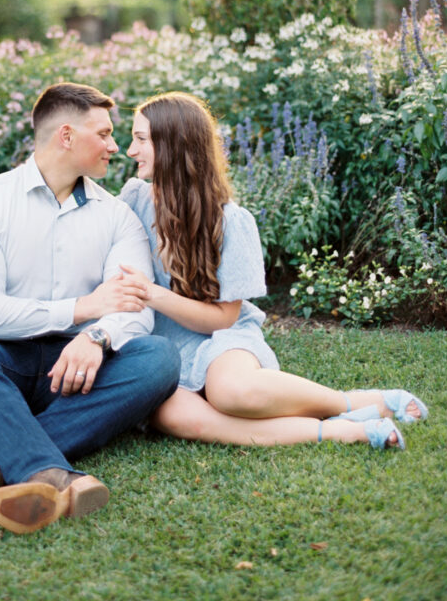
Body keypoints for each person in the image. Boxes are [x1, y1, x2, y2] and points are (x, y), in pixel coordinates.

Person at [0, 82, 180, 535]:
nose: (115, 146)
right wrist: (80, 310)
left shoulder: (115, 215)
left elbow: (134, 308)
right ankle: (48, 470)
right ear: (66, 136)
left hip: (78, 372)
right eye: (103, 134)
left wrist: (96, 337)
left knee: (159, 358)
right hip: (2, 361)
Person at [116, 91, 428, 451]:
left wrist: (154, 294)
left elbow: (222, 319)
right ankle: (346, 429)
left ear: (174, 145)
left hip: (221, 338)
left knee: (233, 392)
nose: (130, 151)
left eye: (140, 140)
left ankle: (354, 403)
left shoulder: (231, 222)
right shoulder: (133, 200)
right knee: (178, 419)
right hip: (159, 347)